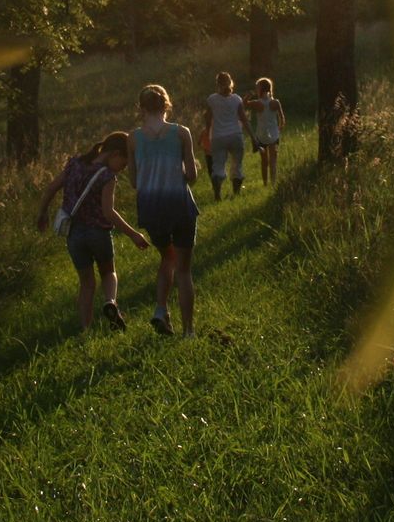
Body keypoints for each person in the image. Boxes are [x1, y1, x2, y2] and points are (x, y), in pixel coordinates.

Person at [36, 133, 150, 332]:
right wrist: (134, 234)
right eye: (123, 164)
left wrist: (42, 212)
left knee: (87, 283)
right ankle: (111, 302)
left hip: (74, 236)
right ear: (115, 154)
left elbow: (51, 188)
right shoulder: (107, 176)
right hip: (98, 234)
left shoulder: (74, 165)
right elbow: (108, 212)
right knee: (108, 273)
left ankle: (85, 328)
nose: (123, 169)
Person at [129, 84, 200, 337]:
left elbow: (134, 181)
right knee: (183, 269)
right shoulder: (182, 134)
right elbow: (191, 176)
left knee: (166, 257)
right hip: (179, 205)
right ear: (166, 105)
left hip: (151, 209)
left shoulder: (133, 138)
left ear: (141, 108)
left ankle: (161, 310)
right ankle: (189, 331)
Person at [200, 71, 248, 199]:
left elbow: (208, 120)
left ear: (217, 84)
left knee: (218, 166)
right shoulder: (237, 99)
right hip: (235, 136)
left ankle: (217, 194)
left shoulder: (212, 99)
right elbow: (243, 119)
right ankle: (236, 194)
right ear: (231, 82)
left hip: (218, 137)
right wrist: (253, 138)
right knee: (237, 165)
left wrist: (207, 135)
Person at [247, 76, 286, 186]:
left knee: (264, 161)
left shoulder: (257, 103)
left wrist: (249, 95)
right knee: (273, 161)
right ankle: (273, 183)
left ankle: (265, 183)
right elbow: (282, 119)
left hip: (261, 134)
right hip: (273, 134)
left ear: (260, 89)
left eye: (256, 88)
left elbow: (244, 103)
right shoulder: (275, 102)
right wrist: (279, 129)